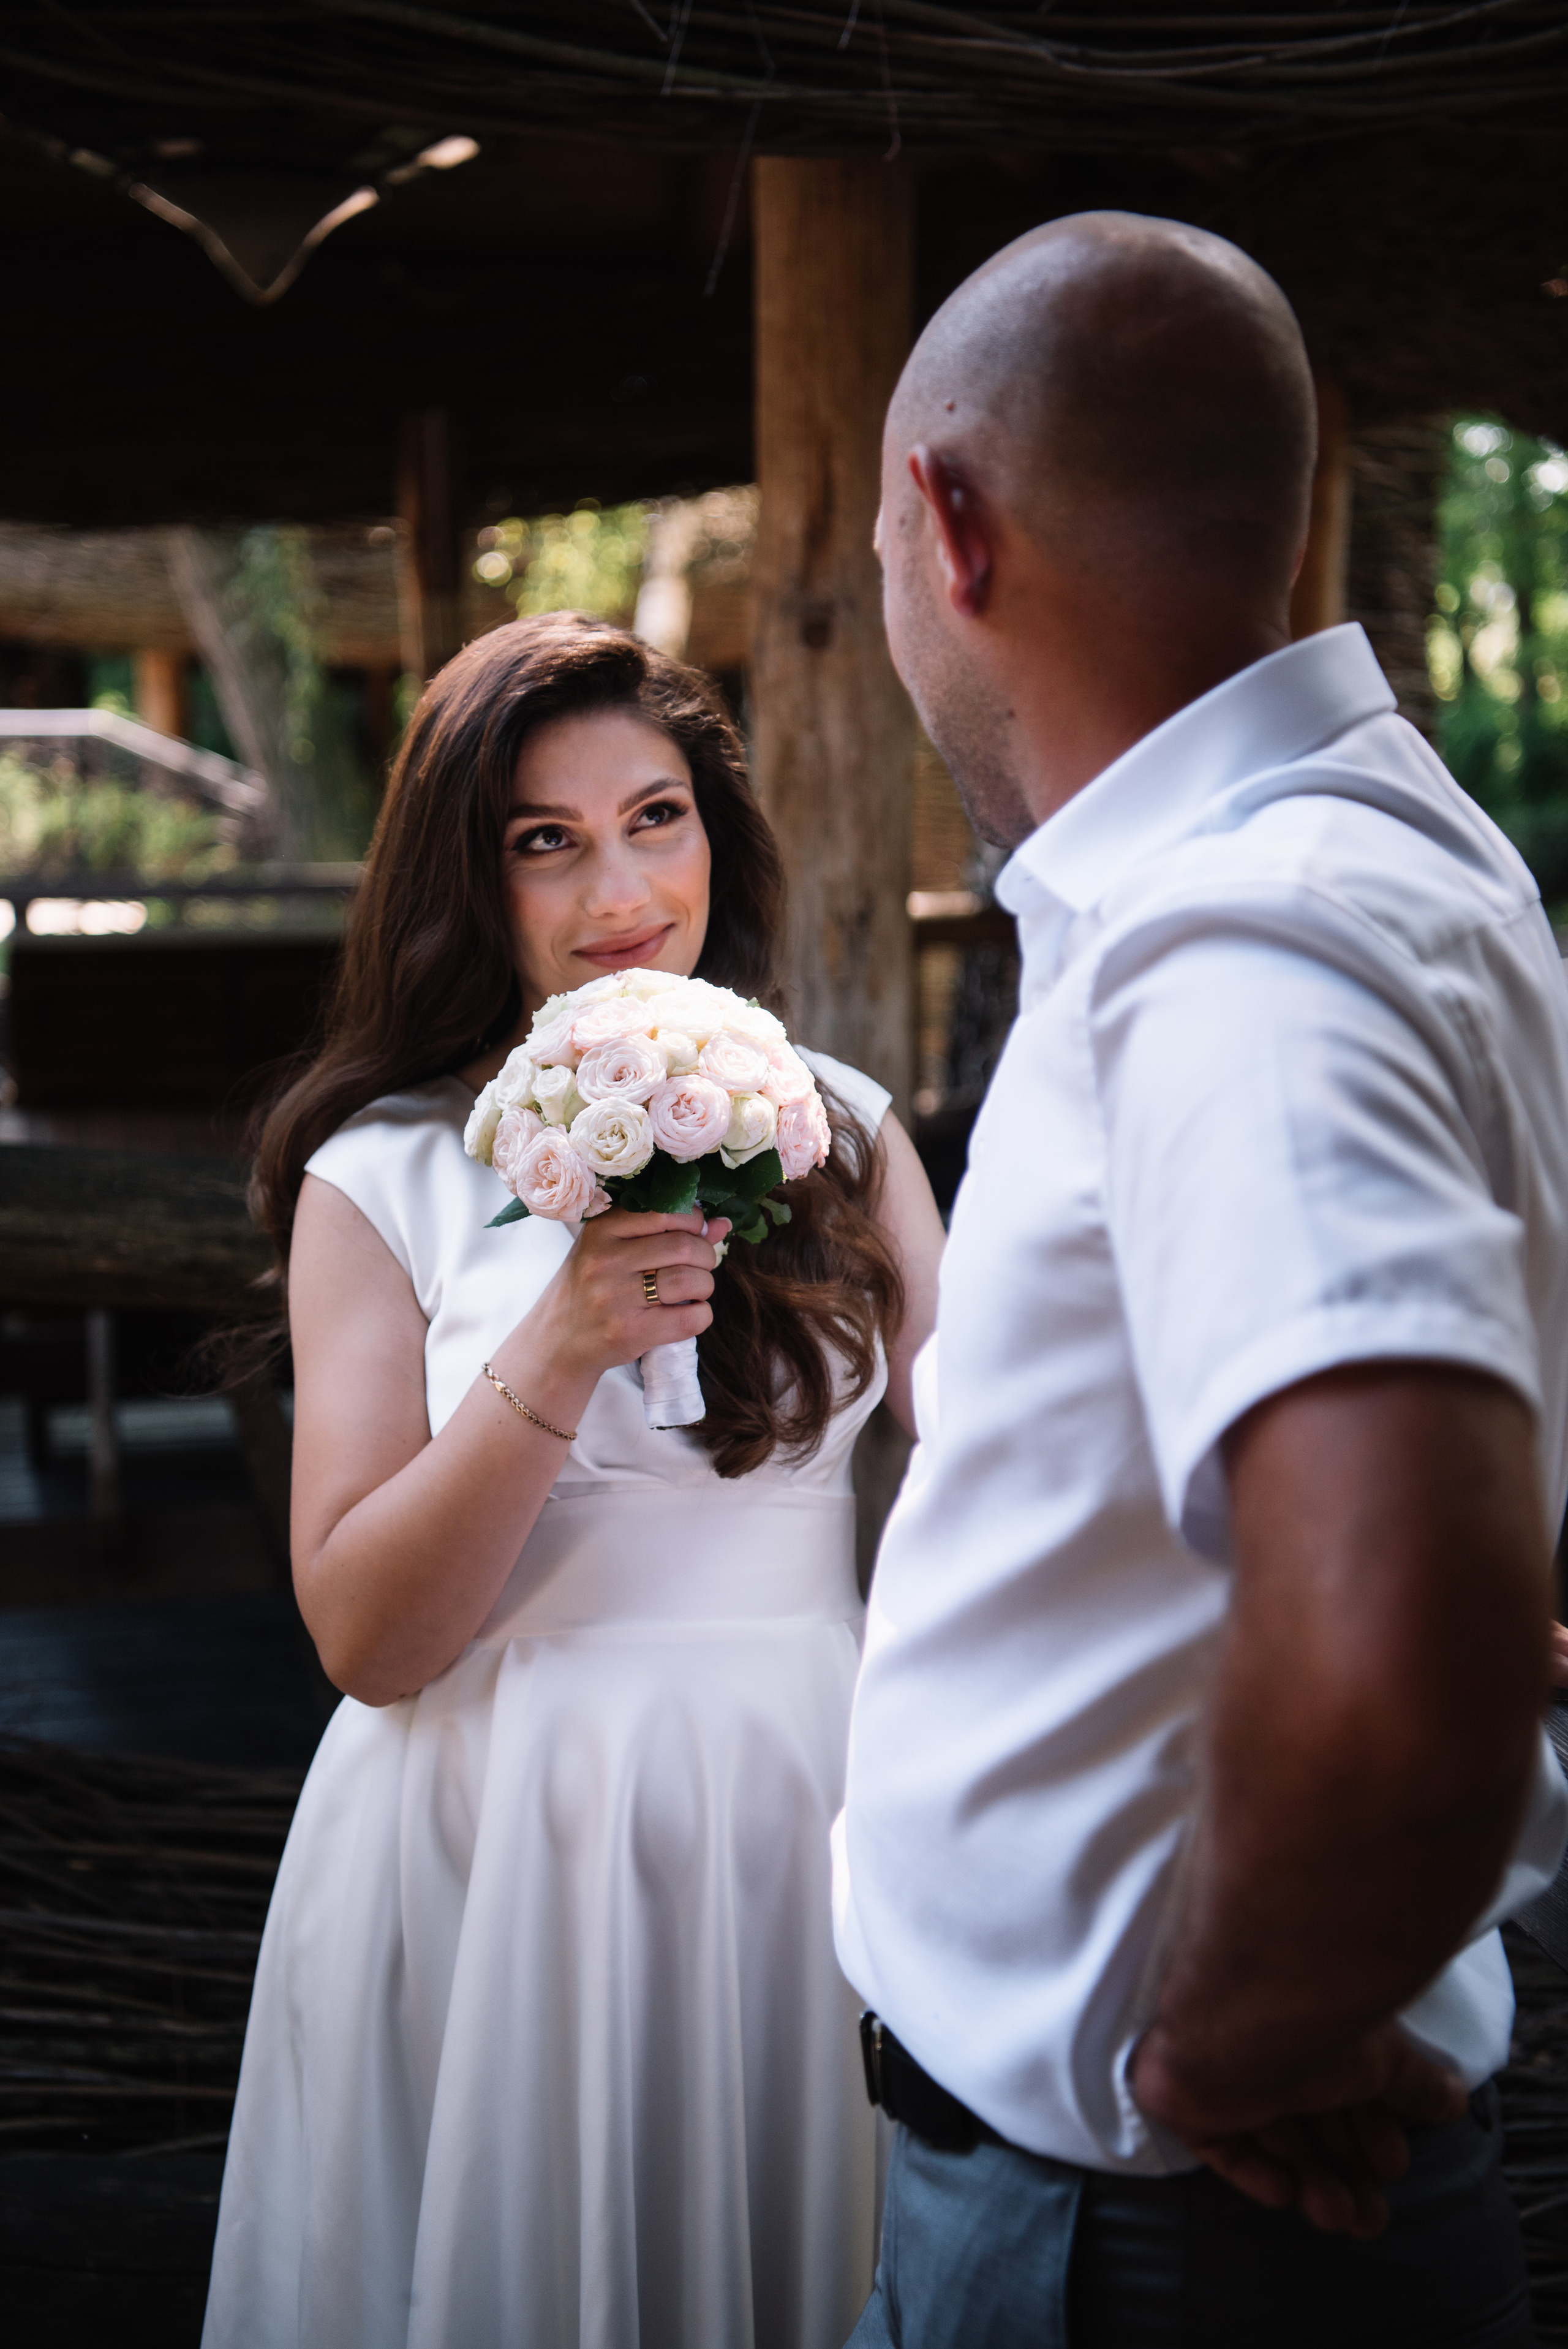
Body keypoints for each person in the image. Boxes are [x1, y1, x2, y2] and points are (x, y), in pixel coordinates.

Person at [834, 211, 1568, 2347]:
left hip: (1141, 2250)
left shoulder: (1244, 942)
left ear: (946, 526)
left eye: (883, 556)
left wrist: (1218, 2051)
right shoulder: (1395, 855)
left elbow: (1406, 1645)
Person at [201, 613, 946, 2349]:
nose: (621, 885)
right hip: (502, 1830)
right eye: (548, 839)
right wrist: (553, 1348)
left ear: (716, 831)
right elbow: (368, 1635)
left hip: (803, 1811)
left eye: (657, 815)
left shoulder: (845, 1126)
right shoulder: (378, 1175)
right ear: (472, 876)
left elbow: (1010, 1448)